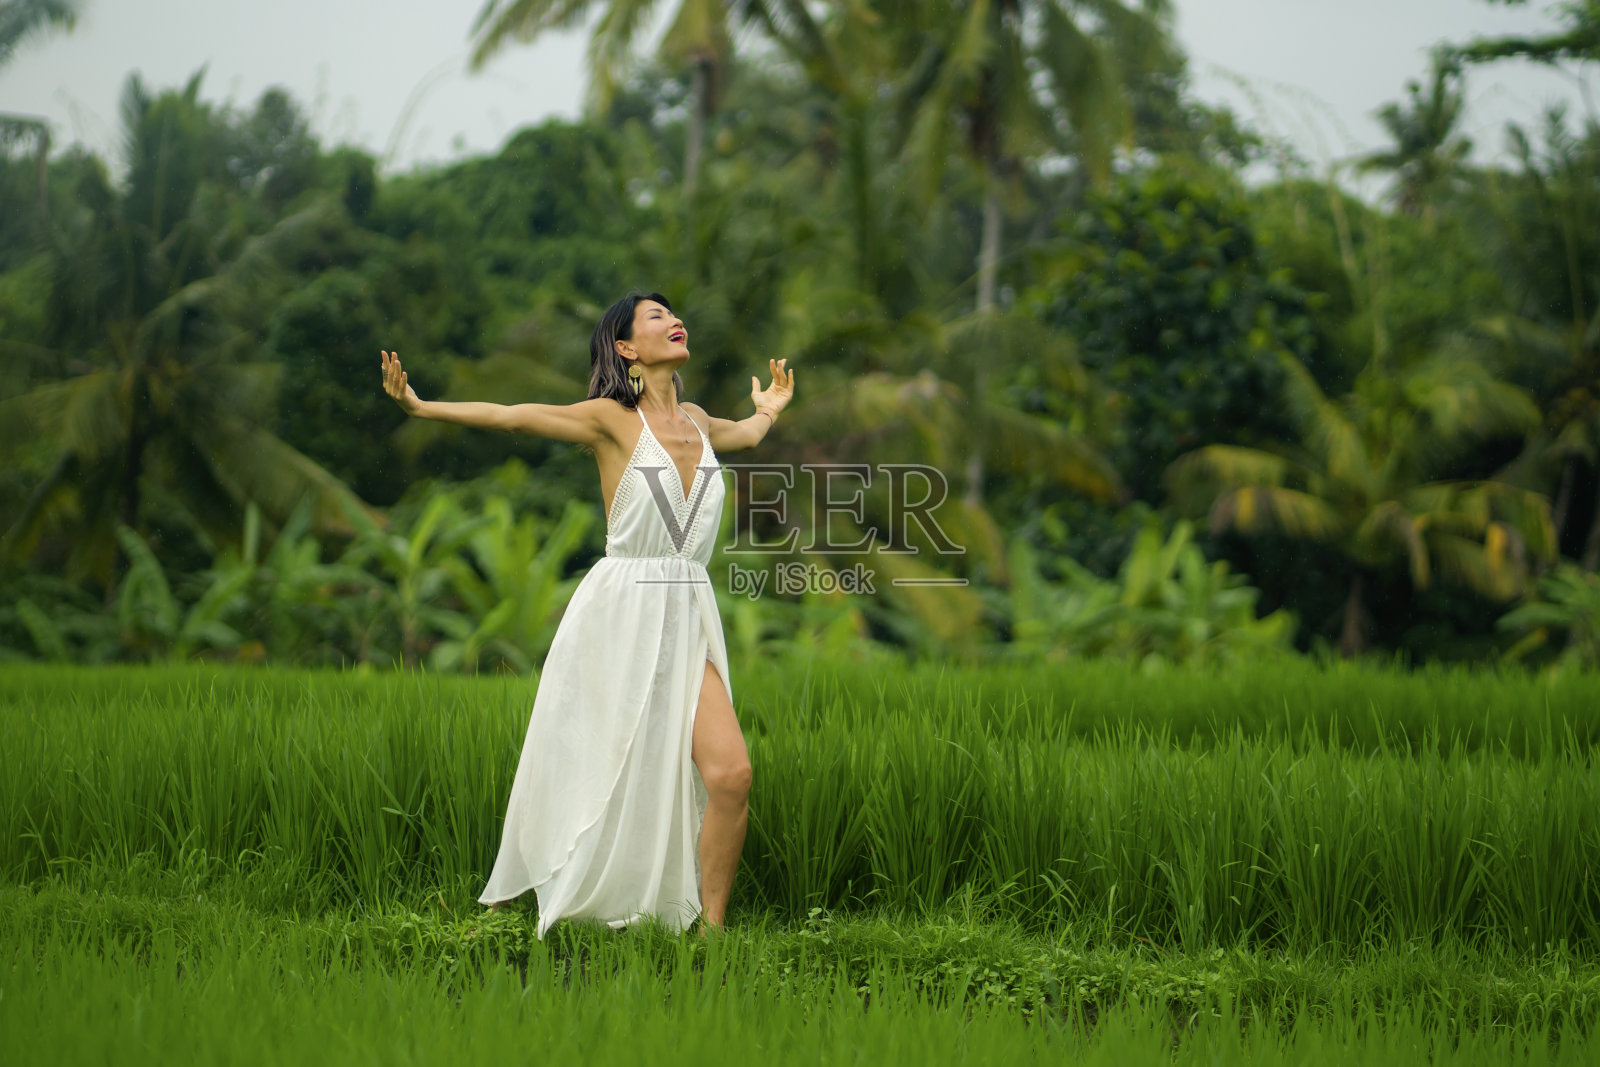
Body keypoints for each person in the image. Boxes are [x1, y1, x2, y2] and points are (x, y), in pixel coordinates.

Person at [379, 291, 794, 936]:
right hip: (621, 610)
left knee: (731, 774)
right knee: (594, 760)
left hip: (688, 611)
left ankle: (710, 933)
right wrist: (420, 406)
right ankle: (551, 891)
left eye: (673, 314)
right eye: (656, 316)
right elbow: (515, 416)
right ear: (626, 347)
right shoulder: (610, 419)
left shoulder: (698, 421)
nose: (674, 320)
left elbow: (745, 434)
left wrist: (768, 409)